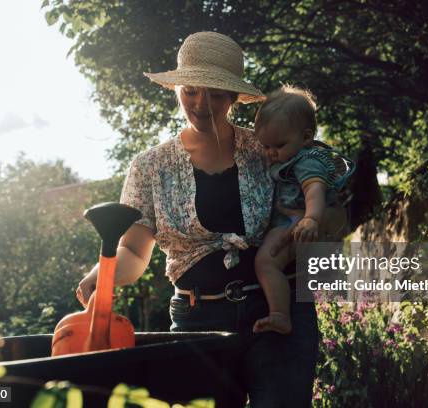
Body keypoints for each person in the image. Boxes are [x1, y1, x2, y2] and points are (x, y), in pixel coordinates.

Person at [75, 32, 318, 408]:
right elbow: (134, 253)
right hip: (197, 321)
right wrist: (101, 274)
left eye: (216, 94)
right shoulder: (149, 167)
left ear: (235, 96)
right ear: (177, 88)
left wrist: (322, 217)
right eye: (190, 91)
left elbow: (322, 182)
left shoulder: (267, 147)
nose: (201, 104)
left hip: (276, 314)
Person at [252, 85, 338, 335]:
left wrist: (310, 219)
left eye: (278, 145)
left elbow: (314, 190)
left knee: (266, 262)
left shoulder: (307, 161)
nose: (271, 153)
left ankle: (279, 314)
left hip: (294, 226)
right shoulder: (290, 156)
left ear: (306, 137)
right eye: (266, 146)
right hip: (292, 223)